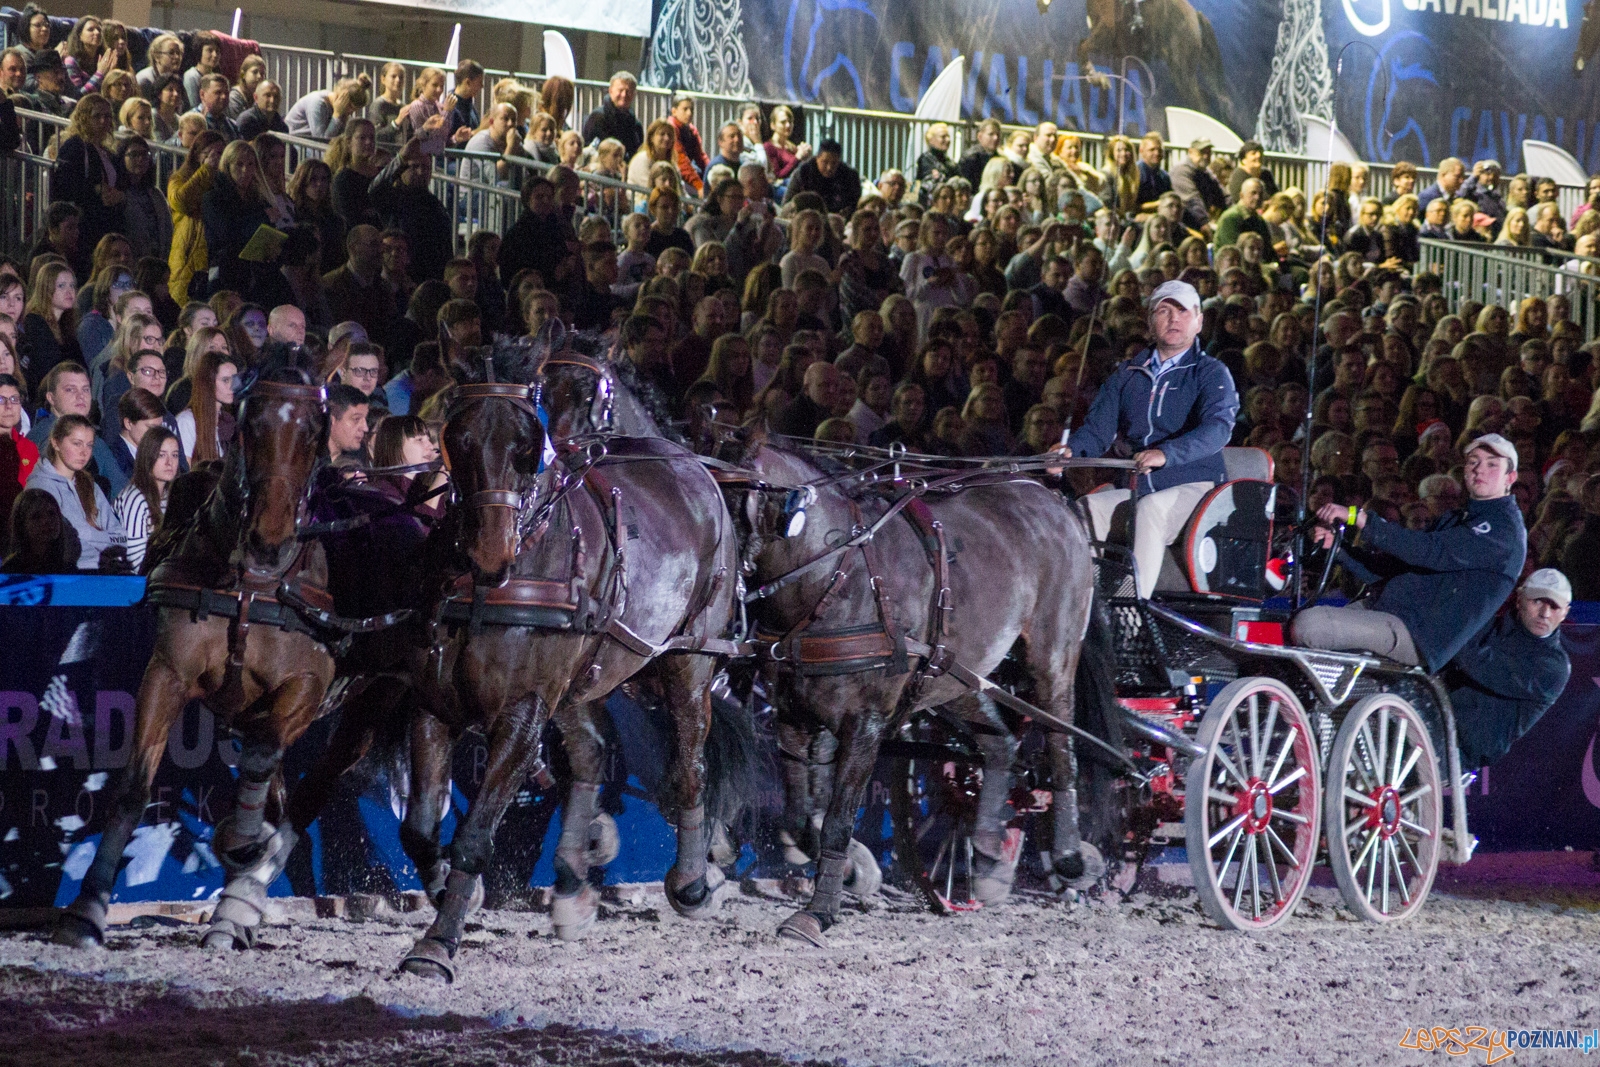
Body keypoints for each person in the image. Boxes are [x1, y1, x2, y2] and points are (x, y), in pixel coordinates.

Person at [1055, 280, 1240, 600]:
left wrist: (1166, 454)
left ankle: (1130, 614)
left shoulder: (1211, 372)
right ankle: (1084, 610)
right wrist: (1071, 451)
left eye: (1183, 312)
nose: (1173, 319)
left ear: (1198, 321)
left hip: (1196, 488)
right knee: (1086, 510)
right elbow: (1098, 430)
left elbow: (1218, 429)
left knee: (1151, 510)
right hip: (1140, 487)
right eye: (1164, 311)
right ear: (1150, 322)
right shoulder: (1127, 374)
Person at [1292, 434, 1526, 670]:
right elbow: (1394, 568)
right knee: (1289, 629)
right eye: (1473, 461)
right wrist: (1338, 548)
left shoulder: (1503, 530)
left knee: (1311, 625)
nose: (1479, 470)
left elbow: (1430, 550)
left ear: (1511, 477)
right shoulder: (1456, 519)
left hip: (1418, 633)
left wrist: (1358, 517)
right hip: (1389, 611)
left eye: (1492, 464)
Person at [1446, 568, 1572, 768]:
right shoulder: (1488, 626)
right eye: (1537, 601)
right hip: (1432, 717)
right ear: (1519, 599)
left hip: (1460, 750)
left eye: (1554, 607)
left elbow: (1482, 666)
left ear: (1565, 612)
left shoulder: (1554, 668)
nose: (1544, 614)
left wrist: (1452, 636)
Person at [26, 414, 128, 571]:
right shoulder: (40, 486)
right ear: (55, 442)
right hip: (66, 574)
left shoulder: (89, 484)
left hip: (102, 571)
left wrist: (94, 537)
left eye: (89, 445)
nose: (84, 452)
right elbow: (72, 539)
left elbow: (121, 537)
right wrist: (105, 545)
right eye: (77, 444)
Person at [370, 137, 453, 283]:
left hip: (432, 277)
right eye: (414, 167)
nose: (421, 172)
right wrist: (401, 157)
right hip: (403, 276)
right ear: (401, 170)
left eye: (426, 167)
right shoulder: (392, 198)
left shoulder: (435, 204)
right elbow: (375, 189)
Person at [52, 93, 125, 258]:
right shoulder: (75, 146)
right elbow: (64, 183)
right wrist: (96, 190)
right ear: (83, 118)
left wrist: (120, 196)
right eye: (97, 116)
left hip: (107, 222)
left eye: (107, 116)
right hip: (86, 226)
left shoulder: (109, 151)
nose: (103, 121)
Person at [174, 349, 237, 463]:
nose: (233, 386)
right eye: (225, 380)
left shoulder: (227, 422)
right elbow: (184, 474)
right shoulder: (187, 422)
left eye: (235, 379)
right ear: (208, 382)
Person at [784, 140, 861, 215]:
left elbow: (856, 205)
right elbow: (787, 205)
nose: (829, 167)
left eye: (834, 163)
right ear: (817, 158)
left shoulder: (850, 176)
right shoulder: (803, 173)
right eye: (825, 162)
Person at [582, 71, 643, 159]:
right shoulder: (597, 117)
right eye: (620, 90)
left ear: (634, 94)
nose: (624, 95)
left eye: (628, 91)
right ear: (611, 91)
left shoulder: (636, 125)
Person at [326, 382, 370, 465]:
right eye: (356, 419)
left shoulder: (362, 457)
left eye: (365, 419)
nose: (365, 428)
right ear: (333, 420)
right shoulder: (309, 462)